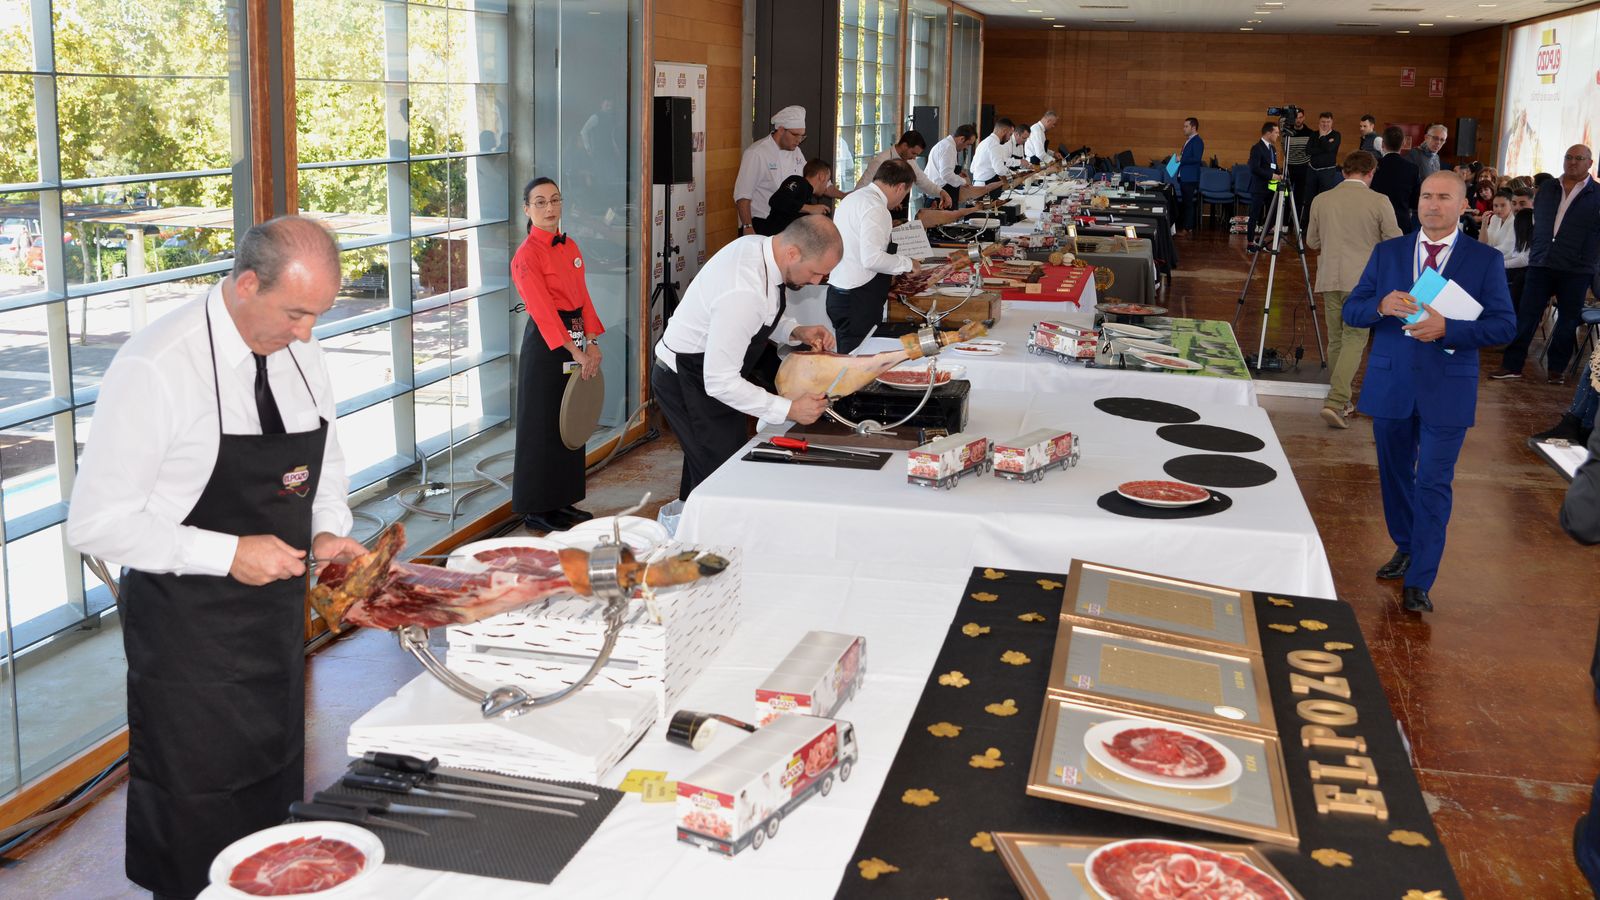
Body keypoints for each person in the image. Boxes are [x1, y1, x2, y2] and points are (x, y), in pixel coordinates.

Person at [66, 216, 367, 899]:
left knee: (272, 793)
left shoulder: (298, 344)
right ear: (244, 284)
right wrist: (227, 552)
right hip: (187, 630)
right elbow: (95, 523)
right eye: (295, 313)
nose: (306, 334)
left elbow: (326, 461)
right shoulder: (157, 366)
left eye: (316, 316)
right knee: (197, 808)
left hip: (273, 622)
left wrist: (324, 532)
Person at [1341, 171, 1517, 613]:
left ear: (1464, 206)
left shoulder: (1484, 260)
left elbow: (1505, 326)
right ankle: (1406, 545)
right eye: (1425, 196)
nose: (1432, 205)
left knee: (1433, 481)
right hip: (1391, 382)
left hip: (1448, 388)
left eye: (1443, 197)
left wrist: (1449, 327)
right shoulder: (1388, 253)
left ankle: (1421, 577)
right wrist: (1380, 305)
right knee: (1395, 476)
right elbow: (1353, 310)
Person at [651, 215, 842, 498]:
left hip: (710, 374)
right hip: (688, 379)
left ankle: (691, 529)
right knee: (721, 479)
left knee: (711, 467)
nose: (817, 282)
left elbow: (763, 312)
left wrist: (796, 330)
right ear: (793, 253)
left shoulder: (761, 248)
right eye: (816, 273)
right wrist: (788, 409)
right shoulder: (744, 289)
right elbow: (719, 382)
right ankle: (706, 538)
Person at [510, 177, 605, 532]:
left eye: (554, 201)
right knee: (542, 425)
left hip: (577, 335)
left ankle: (562, 500)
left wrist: (591, 341)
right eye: (540, 202)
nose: (549, 208)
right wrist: (574, 351)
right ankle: (537, 507)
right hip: (548, 344)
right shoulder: (526, 256)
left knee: (571, 421)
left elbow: (584, 297)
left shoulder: (571, 246)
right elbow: (543, 311)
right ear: (527, 210)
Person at [1306, 151, 1401, 429]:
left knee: (1336, 339)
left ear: (1344, 171)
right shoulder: (1379, 201)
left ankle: (1342, 401)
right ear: (1371, 172)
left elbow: (1312, 241)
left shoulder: (1321, 199)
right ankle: (1336, 401)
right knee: (1354, 338)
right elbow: (1394, 242)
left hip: (1329, 278)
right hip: (1364, 282)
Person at [1493, 144, 1600, 383]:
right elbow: (1539, 224)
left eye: (1579, 158)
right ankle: (1512, 365)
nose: (1572, 162)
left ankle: (1556, 370)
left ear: (1589, 164)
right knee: (1526, 316)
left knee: (1567, 321)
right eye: (1568, 157)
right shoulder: (1548, 188)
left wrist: (1587, 257)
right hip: (1541, 263)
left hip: (1576, 269)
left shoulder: (1597, 194)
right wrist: (1539, 251)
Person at [826, 159, 921, 353]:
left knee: (849, 359)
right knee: (858, 366)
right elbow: (872, 259)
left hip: (840, 293)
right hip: (857, 299)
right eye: (904, 194)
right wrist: (908, 263)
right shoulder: (876, 207)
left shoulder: (853, 197)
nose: (901, 201)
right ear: (900, 187)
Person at [735, 106, 844, 238]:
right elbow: (743, 196)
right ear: (781, 130)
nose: (799, 140)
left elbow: (819, 182)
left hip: (786, 225)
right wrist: (747, 226)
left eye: (802, 136)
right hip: (761, 224)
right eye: (795, 135)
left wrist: (844, 195)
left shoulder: (795, 151)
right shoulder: (756, 153)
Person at [854, 130, 954, 212]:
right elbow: (861, 189)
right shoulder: (880, 160)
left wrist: (941, 192)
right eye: (913, 153)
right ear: (904, 145)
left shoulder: (910, 161)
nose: (914, 158)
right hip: (874, 210)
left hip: (899, 211)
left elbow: (923, 181)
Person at [764, 158, 834, 236]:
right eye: (827, 180)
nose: (826, 187)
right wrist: (810, 208)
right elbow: (777, 200)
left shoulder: (807, 198)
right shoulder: (798, 181)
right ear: (822, 176)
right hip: (772, 239)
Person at [1372, 125, 1421, 234]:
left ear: (1383, 144)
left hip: (1375, 222)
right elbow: (1415, 201)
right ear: (1403, 143)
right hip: (1401, 222)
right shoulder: (1412, 169)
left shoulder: (1373, 167)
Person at [1246, 121, 1281, 247]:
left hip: (1270, 187)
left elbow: (1274, 166)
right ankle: (1250, 242)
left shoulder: (1272, 148)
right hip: (1258, 187)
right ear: (1268, 133)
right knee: (1254, 215)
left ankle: (1261, 238)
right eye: (1276, 132)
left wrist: (1279, 174)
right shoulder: (1257, 148)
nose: (1278, 135)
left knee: (1274, 212)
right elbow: (1254, 168)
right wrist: (1272, 175)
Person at [1305, 112, 1342, 210]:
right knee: (1309, 199)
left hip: (1327, 171)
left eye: (1328, 122)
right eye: (1323, 122)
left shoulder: (1336, 135)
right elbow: (1308, 151)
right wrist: (1324, 148)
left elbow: (1330, 148)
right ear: (1319, 122)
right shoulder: (1314, 134)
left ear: (1332, 122)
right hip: (1312, 170)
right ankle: (1306, 224)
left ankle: (1323, 224)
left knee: (1324, 199)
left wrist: (1322, 137)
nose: (1325, 124)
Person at [927, 124, 977, 193]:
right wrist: (964, 181)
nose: (966, 148)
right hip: (938, 195)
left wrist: (958, 175)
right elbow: (946, 175)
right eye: (968, 144)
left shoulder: (946, 145)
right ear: (962, 139)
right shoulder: (948, 147)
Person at [1284, 109, 1314, 222]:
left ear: (1304, 118)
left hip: (1303, 168)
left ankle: (1296, 223)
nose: (1298, 120)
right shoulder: (1287, 132)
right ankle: (1285, 223)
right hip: (1289, 167)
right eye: (1296, 118)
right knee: (1286, 196)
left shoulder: (1310, 133)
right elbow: (1285, 148)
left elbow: (1309, 151)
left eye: (1301, 117)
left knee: (1299, 197)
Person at [1178, 117, 1204, 233]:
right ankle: (1186, 226)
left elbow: (1196, 159)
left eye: (1186, 126)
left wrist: (1181, 159)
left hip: (1190, 177)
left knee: (1188, 203)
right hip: (1184, 176)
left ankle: (1188, 228)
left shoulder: (1197, 141)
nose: (1183, 129)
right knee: (1185, 203)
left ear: (1193, 127)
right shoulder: (1188, 140)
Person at [970, 118, 1015, 185]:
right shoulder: (995, 145)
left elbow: (972, 169)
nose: (1009, 139)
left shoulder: (983, 142)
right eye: (1010, 134)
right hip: (986, 186)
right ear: (1004, 131)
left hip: (977, 183)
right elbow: (1000, 170)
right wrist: (1013, 174)